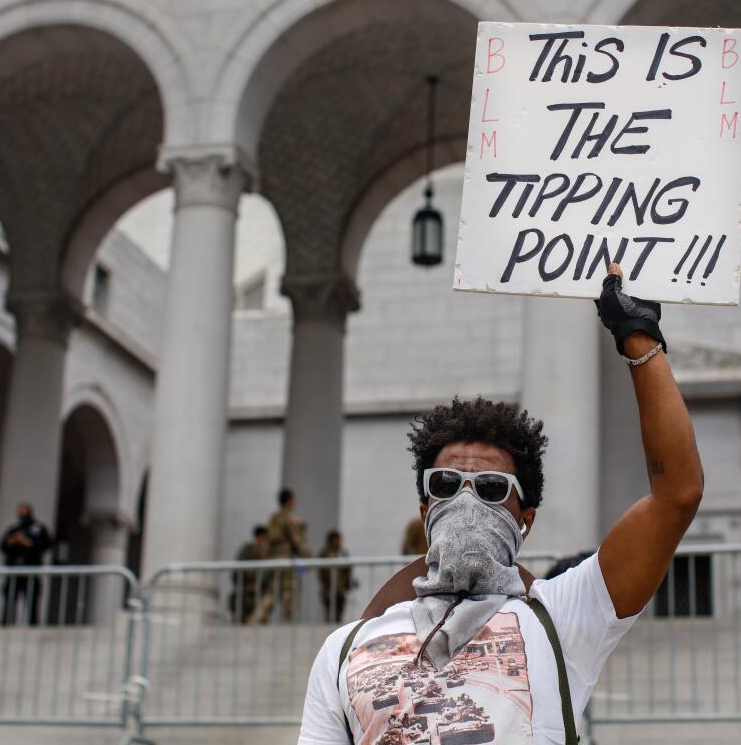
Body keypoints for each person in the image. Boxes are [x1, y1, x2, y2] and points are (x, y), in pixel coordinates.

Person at [299, 265, 704, 743]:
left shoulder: (564, 619)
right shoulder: (344, 650)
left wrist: (639, 339)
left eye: (491, 488)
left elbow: (676, 496)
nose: (466, 499)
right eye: (446, 484)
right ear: (426, 511)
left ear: (524, 519)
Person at [253, 488, 310, 623]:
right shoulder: (289, 519)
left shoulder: (274, 518)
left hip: (274, 559)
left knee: (272, 591)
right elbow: (297, 540)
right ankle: (288, 623)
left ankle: (258, 617)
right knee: (288, 593)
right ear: (289, 500)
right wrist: (306, 557)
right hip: (286, 560)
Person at [0, 503, 53, 625]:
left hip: (31, 571)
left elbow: (45, 544)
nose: (22, 515)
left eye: (25, 512)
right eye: (20, 512)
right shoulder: (14, 530)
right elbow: (2, 546)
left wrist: (27, 541)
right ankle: (6, 623)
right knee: (10, 598)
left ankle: (32, 625)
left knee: (31, 599)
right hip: (14, 571)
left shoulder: (38, 528)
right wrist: (12, 541)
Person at [229, 525, 270, 623]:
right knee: (239, 617)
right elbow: (237, 572)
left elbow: (267, 574)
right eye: (263, 537)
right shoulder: (247, 550)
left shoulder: (266, 552)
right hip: (245, 590)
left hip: (258, 591)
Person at [318, 530, 353, 624]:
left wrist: (347, 584)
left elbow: (348, 570)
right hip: (328, 590)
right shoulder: (324, 553)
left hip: (340, 590)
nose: (339, 542)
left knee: (339, 614)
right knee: (329, 613)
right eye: (337, 540)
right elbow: (321, 572)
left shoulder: (343, 553)